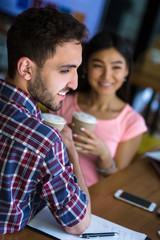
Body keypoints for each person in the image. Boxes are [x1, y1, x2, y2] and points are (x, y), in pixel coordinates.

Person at [0, 7, 91, 235]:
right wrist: (70, 148)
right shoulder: (45, 140)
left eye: (76, 70)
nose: (74, 84)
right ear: (26, 68)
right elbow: (78, 223)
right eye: (65, 70)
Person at [52, 31, 148, 187]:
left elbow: (117, 182)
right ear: (85, 68)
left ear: (126, 71)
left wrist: (104, 154)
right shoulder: (61, 101)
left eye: (116, 67)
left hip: (92, 200)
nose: (106, 76)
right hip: (50, 192)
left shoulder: (132, 122)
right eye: (98, 65)